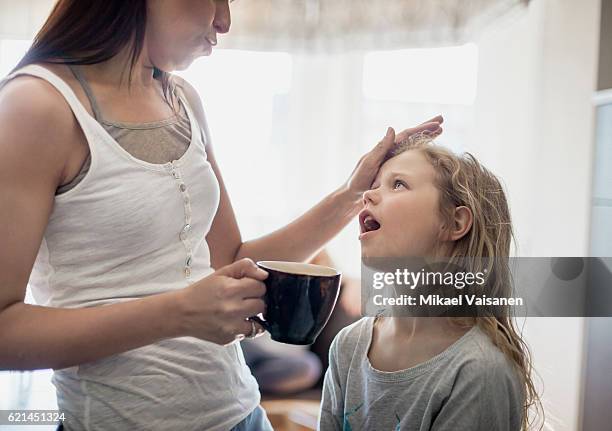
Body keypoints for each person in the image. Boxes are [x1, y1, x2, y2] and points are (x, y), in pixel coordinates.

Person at [0, 1, 443, 430]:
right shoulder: (37, 105)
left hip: (243, 413)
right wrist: (179, 313)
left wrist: (352, 195)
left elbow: (233, 256)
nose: (224, 20)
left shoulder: (183, 100)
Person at [319, 135, 543, 430]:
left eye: (398, 184)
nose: (368, 196)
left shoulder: (478, 371)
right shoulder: (348, 346)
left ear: (455, 223)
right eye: (373, 186)